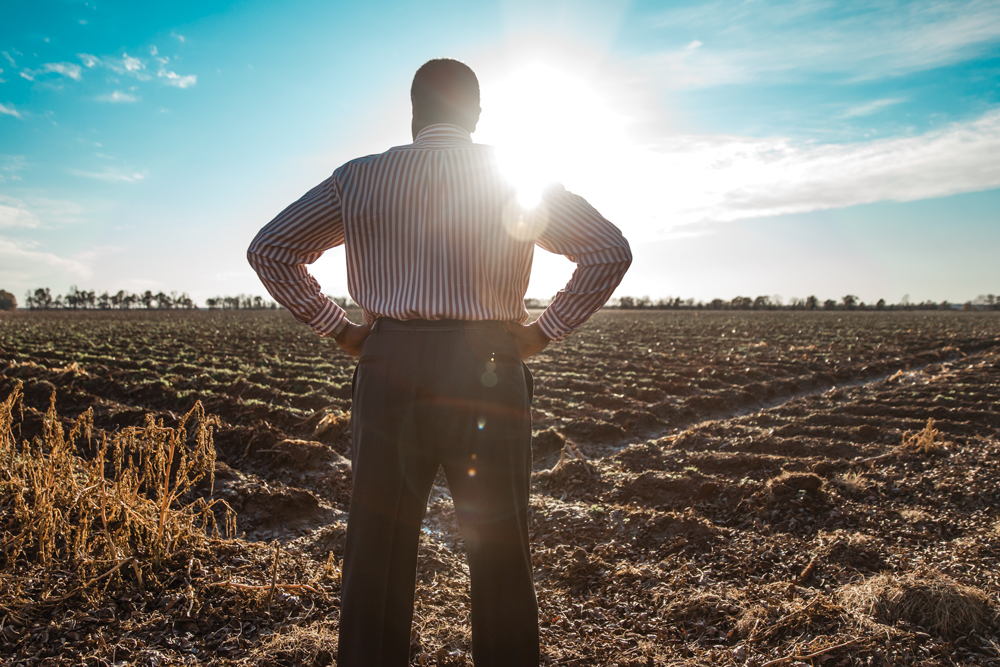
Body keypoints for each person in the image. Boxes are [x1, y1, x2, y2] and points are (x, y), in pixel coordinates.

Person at [247, 58, 631, 667]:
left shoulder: (359, 179)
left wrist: (340, 329)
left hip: (390, 364)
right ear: (476, 114)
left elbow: (270, 249)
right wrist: (542, 334)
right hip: (489, 368)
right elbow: (608, 250)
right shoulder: (514, 176)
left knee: (377, 546)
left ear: (414, 113)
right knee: (500, 548)